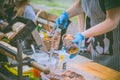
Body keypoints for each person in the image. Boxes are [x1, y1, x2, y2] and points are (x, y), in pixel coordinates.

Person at [56, 0, 120, 71]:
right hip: (98, 42)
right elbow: (81, 4)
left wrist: (83, 35)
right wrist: (66, 14)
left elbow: (112, 21)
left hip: (116, 47)